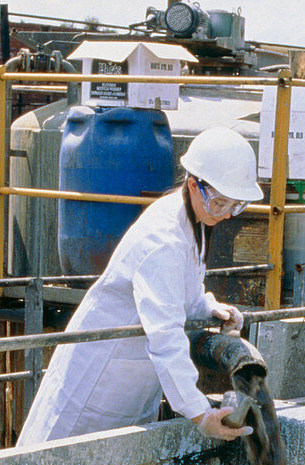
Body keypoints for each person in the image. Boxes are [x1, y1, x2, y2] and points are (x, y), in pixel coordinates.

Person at [17, 126, 263, 447]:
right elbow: (165, 333)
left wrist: (206, 306)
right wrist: (199, 413)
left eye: (235, 205)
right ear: (193, 185)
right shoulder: (163, 238)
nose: (227, 214)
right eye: (219, 203)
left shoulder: (192, 221)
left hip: (125, 377)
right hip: (98, 378)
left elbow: (179, 289)